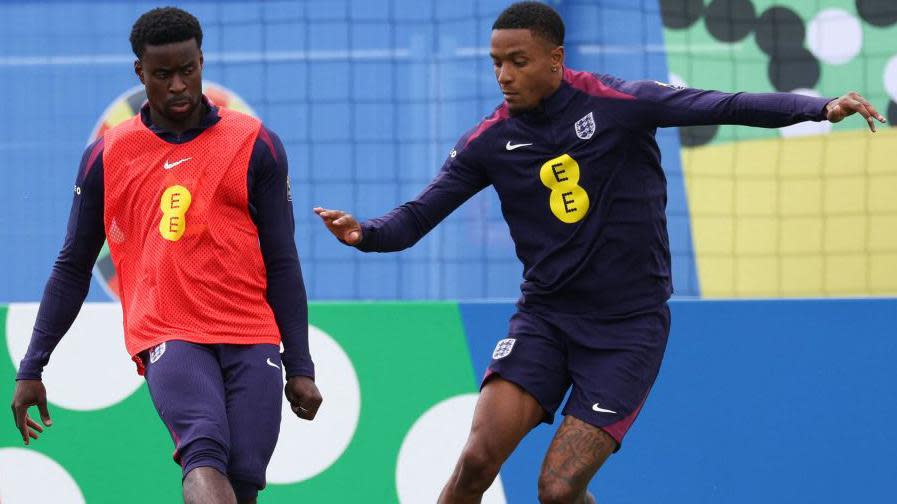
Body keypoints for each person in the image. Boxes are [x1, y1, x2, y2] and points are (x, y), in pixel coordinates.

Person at [315, 2, 884, 503]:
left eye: (518, 61)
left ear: (556, 59)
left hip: (626, 329)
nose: (504, 75)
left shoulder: (621, 103)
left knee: (557, 491)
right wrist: (365, 232)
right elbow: (417, 217)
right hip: (545, 320)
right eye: (496, 62)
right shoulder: (487, 142)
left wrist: (817, 108)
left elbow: (722, 103)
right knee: (474, 464)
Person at [9, 7, 322, 504]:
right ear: (140, 73)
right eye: (162, 75)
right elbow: (72, 265)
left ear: (202, 60)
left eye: (188, 70)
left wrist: (300, 363)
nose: (178, 85)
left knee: (243, 477)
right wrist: (32, 367)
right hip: (168, 331)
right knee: (202, 446)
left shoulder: (256, 145)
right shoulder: (108, 156)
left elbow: (282, 261)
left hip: (251, 333)